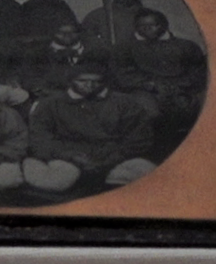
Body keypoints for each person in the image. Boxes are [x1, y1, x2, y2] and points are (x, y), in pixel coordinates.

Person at [23, 65, 156, 194]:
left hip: (113, 157)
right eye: (82, 81)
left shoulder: (124, 102)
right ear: (70, 81)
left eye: (97, 81)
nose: (90, 85)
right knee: (57, 181)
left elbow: (139, 137)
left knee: (150, 176)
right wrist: (70, 156)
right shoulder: (50, 104)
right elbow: (40, 138)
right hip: (66, 158)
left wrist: (112, 158)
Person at [118, 9, 207, 149]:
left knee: (196, 109)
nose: (147, 29)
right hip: (145, 90)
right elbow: (122, 73)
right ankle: (152, 149)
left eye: (153, 25)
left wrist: (181, 85)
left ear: (164, 25)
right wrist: (148, 84)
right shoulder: (125, 48)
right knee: (150, 113)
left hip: (182, 88)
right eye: (142, 26)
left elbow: (198, 72)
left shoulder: (187, 46)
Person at [22, 20, 110, 101]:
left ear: (80, 33)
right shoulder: (37, 55)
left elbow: (109, 79)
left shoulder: (98, 53)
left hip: (95, 101)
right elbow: (32, 82)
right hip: (51, 101)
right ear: (52, 32)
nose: (67, 35)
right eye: (61, 32)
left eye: (73, 32)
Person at [79, 0, 148, 59]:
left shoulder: (147, 15)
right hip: (105, 58)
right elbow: (86, 35)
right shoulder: (98, 15)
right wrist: (103, 47)